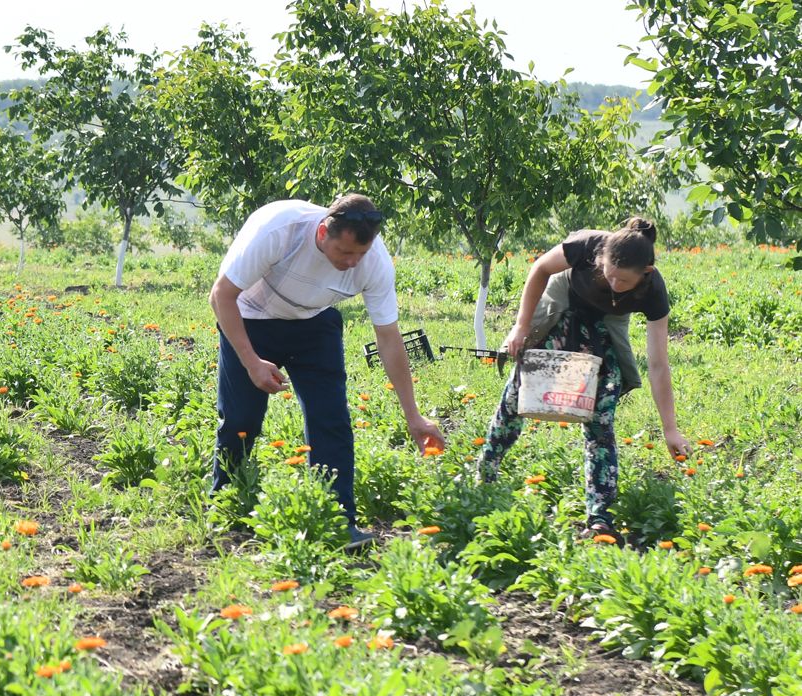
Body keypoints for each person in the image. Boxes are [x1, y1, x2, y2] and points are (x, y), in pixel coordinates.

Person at [210, 194, 446, 548]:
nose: (352, 263)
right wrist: (250, 361)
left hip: (314, 324)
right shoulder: (280, 230)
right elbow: (221, 295)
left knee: (331, 418)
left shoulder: (374, 261)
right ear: (323, 233)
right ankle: (225, 505)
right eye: (345, 253)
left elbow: (389, 338)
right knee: (242, 419)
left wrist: (413, 416)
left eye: (360, 255)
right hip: (251, 318)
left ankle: (338, 520)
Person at [477, 218, 692, 544]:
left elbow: (659, 365)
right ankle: (485, 473)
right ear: (602, 258)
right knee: (519, 391)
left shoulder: (653, 290)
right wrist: (521, 327)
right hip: (564, 297)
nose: (616, 282)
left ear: (645, 273)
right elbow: (540, 269)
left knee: (600, 413)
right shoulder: (588, 245)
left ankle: (599, 515)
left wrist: (670, 428)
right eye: (610, 274)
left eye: (625, 280)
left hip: (608, 318)